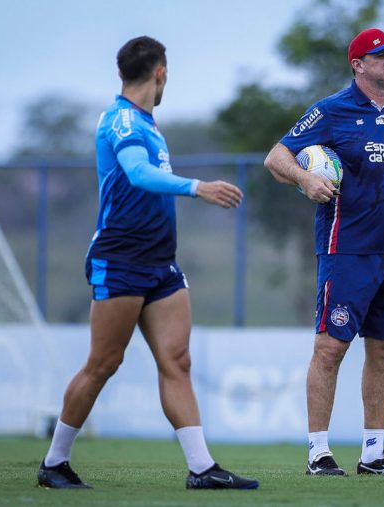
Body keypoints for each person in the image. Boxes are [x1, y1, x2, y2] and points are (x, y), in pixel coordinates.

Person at [37, 36, 259, 491]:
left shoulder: (147, 122)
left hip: (161, 262)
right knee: (103, 363)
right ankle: (54, 463)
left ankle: (202, 468)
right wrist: (198, 187)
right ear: (160, 72)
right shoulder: (121, 122)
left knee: (177, 360)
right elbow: (139, 175)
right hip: (120, 258)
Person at [264, 28, 384, 476]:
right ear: (358, 64)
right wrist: (305, 179)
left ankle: (373, 453)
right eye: (380, 54)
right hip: (346, 249)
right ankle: (318, 453)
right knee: (330, 349)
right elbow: (276, 156)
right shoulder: (331, 111)